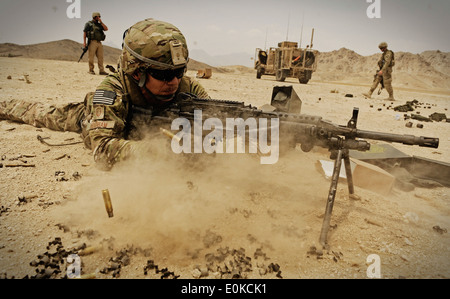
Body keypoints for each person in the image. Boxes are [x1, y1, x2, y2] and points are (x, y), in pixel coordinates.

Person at [0, 19, 210, 169]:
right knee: (44, 113)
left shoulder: (189, 89)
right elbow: (102, 150)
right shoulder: (113, 91)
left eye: (178, 72)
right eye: (161, 74)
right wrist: (158, 151)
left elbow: (217, 125)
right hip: (92, 117)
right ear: (137, 72)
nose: (173, 81)